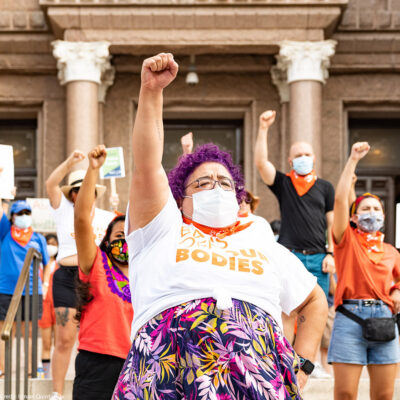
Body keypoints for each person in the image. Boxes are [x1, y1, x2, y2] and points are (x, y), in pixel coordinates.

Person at [113, 53, 328, 399]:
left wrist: (300, 366)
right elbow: (147, 164)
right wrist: (151, 93)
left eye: (225, 183)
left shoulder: (259, 240)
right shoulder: (161, 229)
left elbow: (314, 301)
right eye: (202, 183)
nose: (216, 187)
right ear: (180, 199)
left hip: (259, 381)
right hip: (168, 374)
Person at [255, 110, 335, 345]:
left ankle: (311, 362)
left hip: (319, 256)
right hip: (290, 254)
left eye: (307, 154)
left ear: (314, 158)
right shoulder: (284, 183)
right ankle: (286, 358)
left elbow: (330, 223)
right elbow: (261, 163)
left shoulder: (325, 187)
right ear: (290, 161)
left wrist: (331, 253)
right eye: (298, 155)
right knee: (287, 310)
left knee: (316, 311)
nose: (303, 158)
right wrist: (263, 128)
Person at [328, 141, 400, 400]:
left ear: (384, 215)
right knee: (345, 394)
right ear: (354, 218)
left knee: (384, 395)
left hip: (384, 320)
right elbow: (339, 199)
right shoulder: (346, 241)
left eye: (376, 209)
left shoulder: (391, 251)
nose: (372, 213)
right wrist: (353, 159)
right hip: (350, 317)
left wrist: (397, 291)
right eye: (365, 209)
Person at [46, 151, 114, 400]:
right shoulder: (63, 210)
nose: (79, 192)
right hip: (66, 275)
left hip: (96, 277)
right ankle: (56, 392)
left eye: (84, 188)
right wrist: (70, 163)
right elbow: (50, 184)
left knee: (95, 335)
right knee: (64, 338)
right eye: (75, 189)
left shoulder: (108, 217)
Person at [73, 145, 133, 400]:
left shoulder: (147, 274)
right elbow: (82, 219)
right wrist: (93, 170)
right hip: (95, 364)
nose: (125, 241)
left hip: (135, 365)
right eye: (119, 236)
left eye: (130, 236)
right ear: (107, 241)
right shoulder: (96, 263)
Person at [0, 200, 50, 376]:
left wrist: (45, 283)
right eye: (20, 213)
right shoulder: (5, 232)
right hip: (6, 290)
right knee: (6, 330)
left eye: (27, 213)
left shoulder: (38, 238)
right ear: (12, 217)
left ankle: (31, 368)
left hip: (31, 290)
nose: (24, 217)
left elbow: (47, 263)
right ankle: (2, 368)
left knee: (30, 330)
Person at [38, 233, 59, 378]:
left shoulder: (61, 264)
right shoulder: (38, 264)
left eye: (54, 243)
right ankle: (46, 375)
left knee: (59, 344)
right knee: (46, 344)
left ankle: (56, 375)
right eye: (48, 243)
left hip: (58, 306)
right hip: (44, 306)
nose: (51, 246)